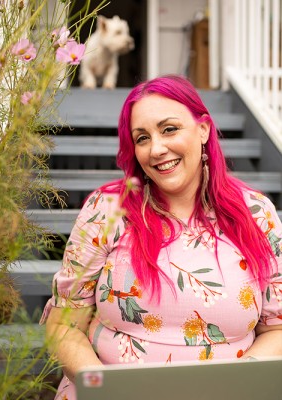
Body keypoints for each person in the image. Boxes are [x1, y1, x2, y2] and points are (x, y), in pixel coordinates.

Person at [40, 75, 282, 399]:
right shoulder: (108, 210)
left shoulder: (256, 214)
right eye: (142, 138)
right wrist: (102, 388)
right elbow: (64, 325)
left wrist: (239, 382)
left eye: (169, 129)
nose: (156, 149)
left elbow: (276, 328)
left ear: (203, 129)